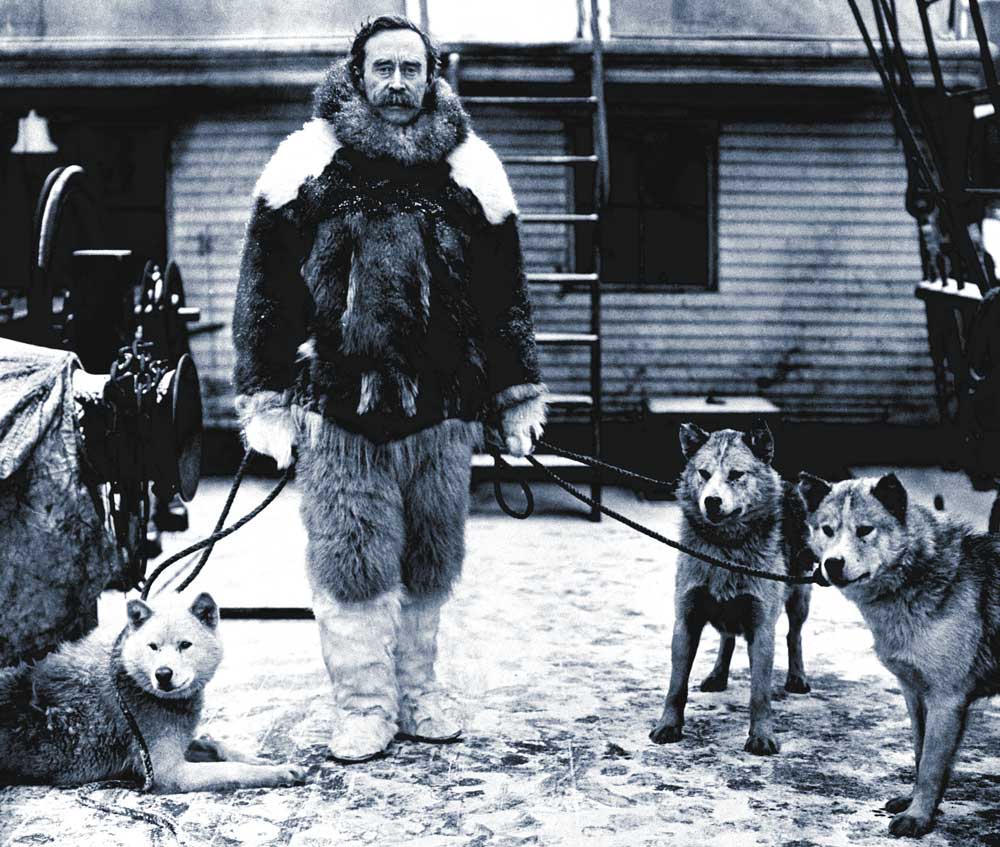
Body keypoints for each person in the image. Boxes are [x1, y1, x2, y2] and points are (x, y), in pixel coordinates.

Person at [231, 15, 546, 763]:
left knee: (430, 562)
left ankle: (419, 693)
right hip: (341, 413)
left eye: (412, 69)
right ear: (358, 74)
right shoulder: (309, 165)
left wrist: (515, 394)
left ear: (433, 75)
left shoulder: (471, 171)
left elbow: (505, 295)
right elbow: (264, 290)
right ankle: (364, 707)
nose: (398, 84)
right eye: (385, 69)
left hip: (441, 415)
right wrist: (266, 396)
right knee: (352, 564)